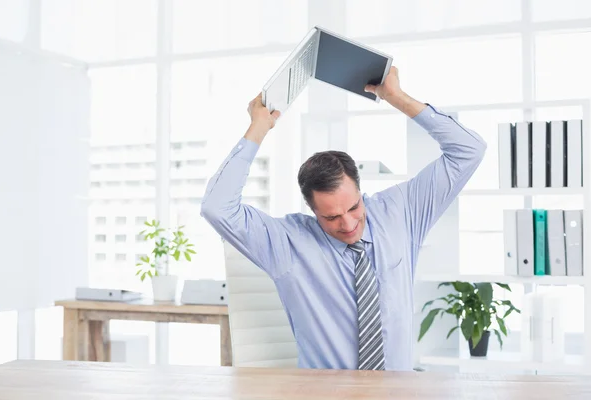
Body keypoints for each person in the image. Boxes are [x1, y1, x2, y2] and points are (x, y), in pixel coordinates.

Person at [200, 66, 486, 371]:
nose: (348, 225)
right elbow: (217, 207)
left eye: (353, 208)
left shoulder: (401, 212)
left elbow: (469, 150)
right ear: (312, 210)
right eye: (331, 217)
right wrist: (258, 127)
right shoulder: (287, 242)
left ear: (361, 190)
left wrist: (396, 97)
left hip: (398, 391)